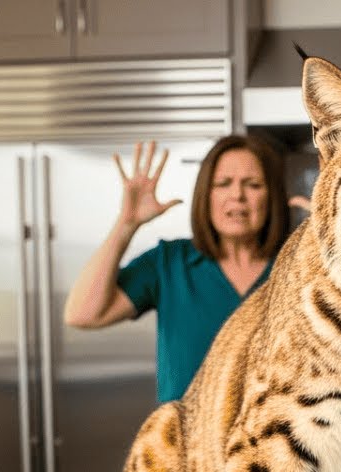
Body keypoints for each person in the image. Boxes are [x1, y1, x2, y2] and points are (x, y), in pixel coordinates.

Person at [63, 135, 291, 403]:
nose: (237, 196)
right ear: (206, 195)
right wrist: (127, 223)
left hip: (272, 442)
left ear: (272, 197)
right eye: (223, 184)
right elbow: (82, 314)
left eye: (253, 185)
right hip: (184, 443)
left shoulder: (295, 267)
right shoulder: (169, 262)